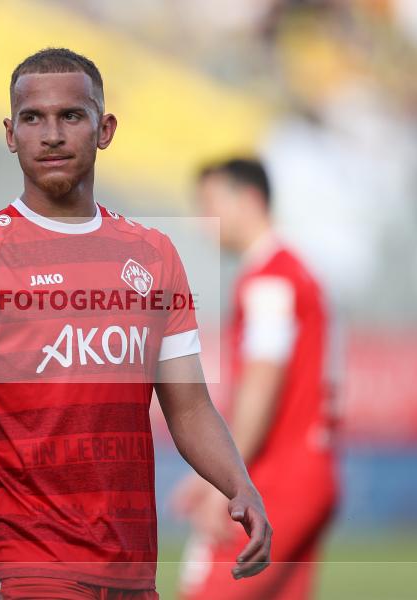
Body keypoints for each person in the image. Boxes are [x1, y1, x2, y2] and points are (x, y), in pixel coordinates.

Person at [0, 48, 272, 600]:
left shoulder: (153, 256)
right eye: (33, 118)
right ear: (10, 133)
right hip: (27, 562)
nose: (51, 134)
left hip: (130, 568)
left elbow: (190, 406)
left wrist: (238, 483)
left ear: (105, 129)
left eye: (70, 116)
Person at [174, 158, 338, 600]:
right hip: (311, 470)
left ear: (249, 200)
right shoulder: (296, 273)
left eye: (210, 204)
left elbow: (262, 385)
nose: (202, 221)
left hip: (278, 475)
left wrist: (225, 482)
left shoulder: (270, 280)